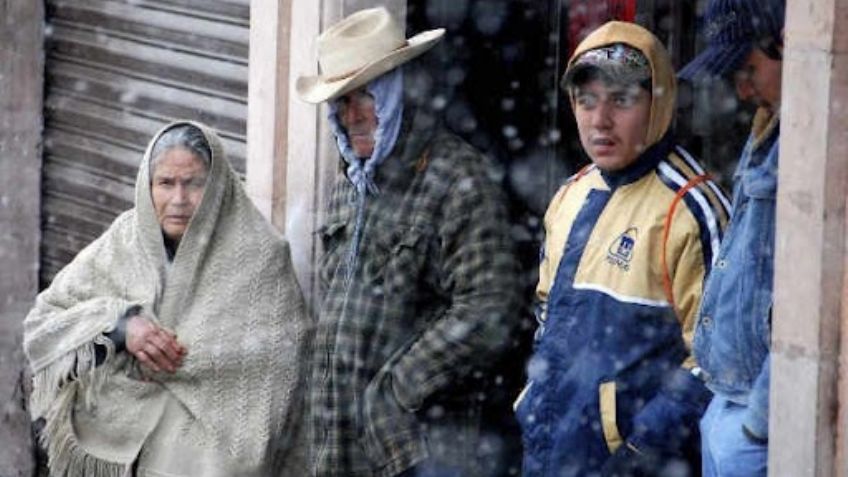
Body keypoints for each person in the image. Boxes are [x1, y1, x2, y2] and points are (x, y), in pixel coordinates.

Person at [295, 7, 520, 477]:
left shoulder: (458, 177)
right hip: (340, 448)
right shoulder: (351, 182)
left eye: (365, 96)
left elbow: (490, 307)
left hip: (420, 450)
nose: (351, 115)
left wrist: (396, 391)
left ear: (396, 93)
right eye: (341, 102)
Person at [24, 121, 310, 477]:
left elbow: (278, 361)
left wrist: (157, 362)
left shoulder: (258, 254)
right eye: (165, 183)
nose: (179, 200)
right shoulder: (126, 239)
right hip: (124, 444)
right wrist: (120, 326)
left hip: (208, 454)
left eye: (194, 183)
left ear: (218, 185)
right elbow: (46, 321)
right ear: (147, 185)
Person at [514, 21, 732, 476]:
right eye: (587, 100)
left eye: (621, 100)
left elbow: (718, 361)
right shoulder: (570, 195)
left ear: (659, 102)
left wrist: (640, 449)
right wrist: (533, 405)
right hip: (553, 453)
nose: (600, 120)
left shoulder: (691, 208)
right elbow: (547, 316)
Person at [678, 0, 785, 475]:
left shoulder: (805, 144)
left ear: (786, 45)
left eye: (749, 69)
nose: (742, 90)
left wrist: (757, 425)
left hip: (754, 412)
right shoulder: (769, 128)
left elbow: (803, 295)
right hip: (729, 399)